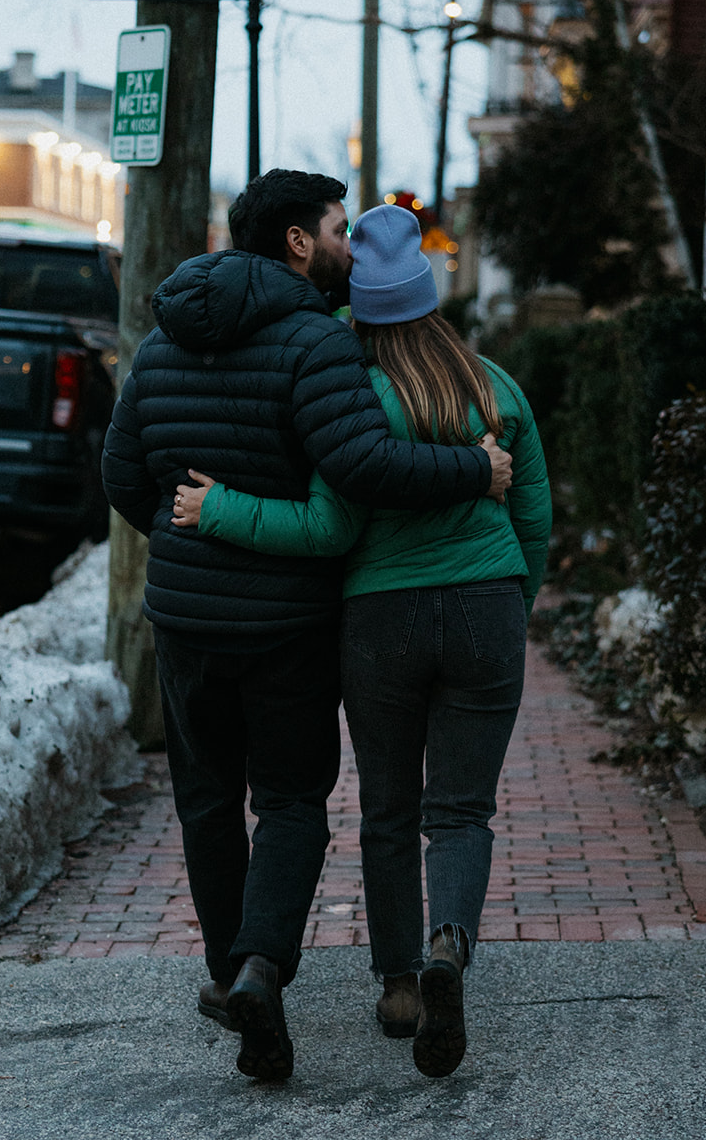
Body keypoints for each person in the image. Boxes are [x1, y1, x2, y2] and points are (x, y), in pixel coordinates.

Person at [101, 172, 512, 1085]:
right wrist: (473, 473)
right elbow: (364, 464)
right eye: (337, 228)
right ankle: (259, 967)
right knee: (288, 803)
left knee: (207, 803)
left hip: (185, 621)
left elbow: (122, 475)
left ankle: (238, 983)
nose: (348, 245)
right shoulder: (314, 343)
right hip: (287, 624)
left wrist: (187, 551)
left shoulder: (161, 338)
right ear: (295, 243)